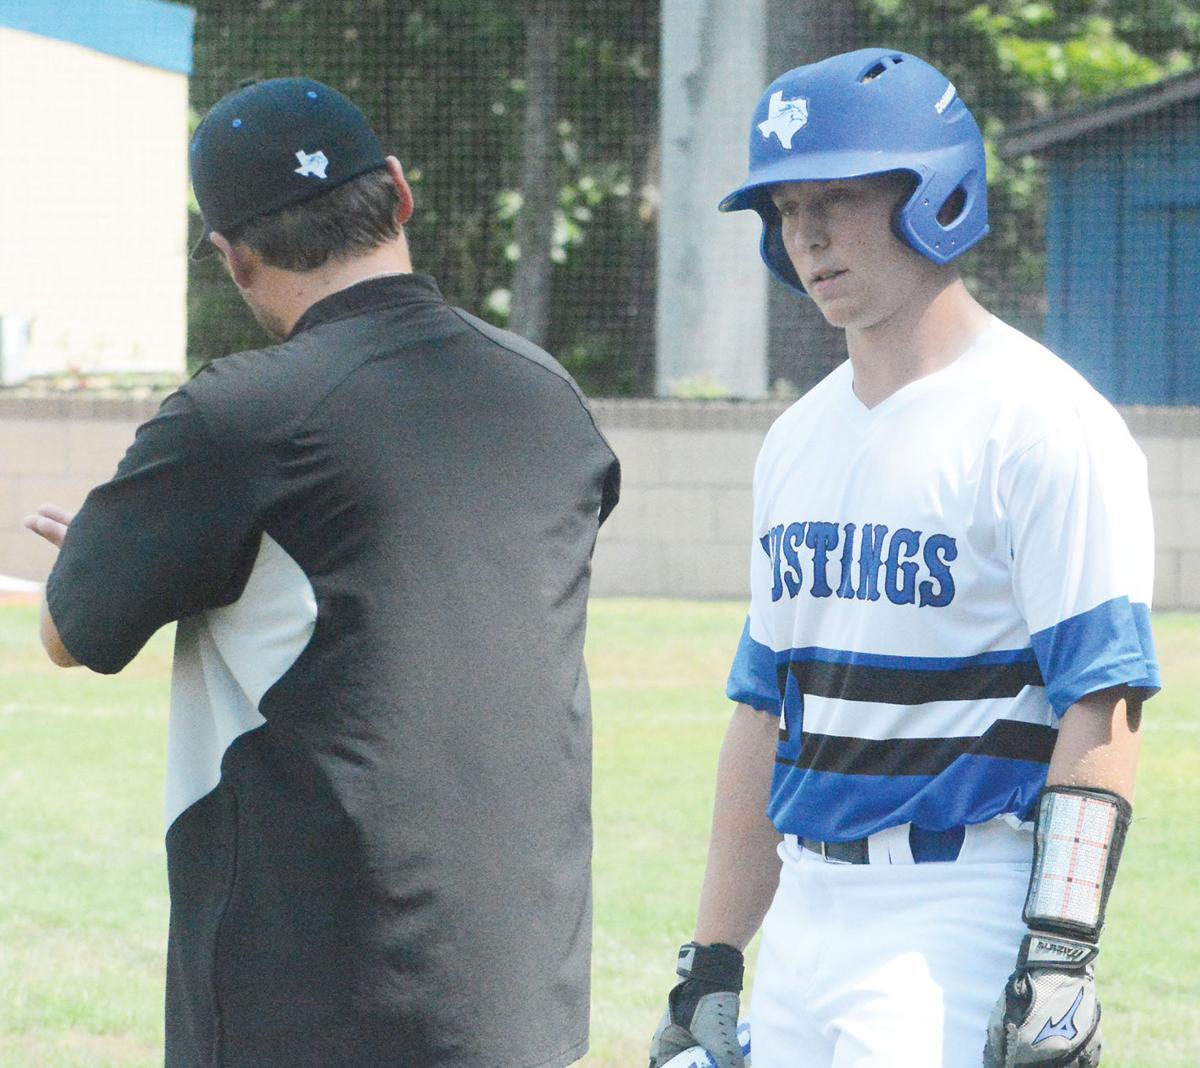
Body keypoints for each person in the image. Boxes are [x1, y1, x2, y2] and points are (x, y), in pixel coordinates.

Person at [26, 77, 619, 1068]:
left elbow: (70, 633)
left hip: (308, 1004)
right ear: (397, 189)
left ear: (234, 255)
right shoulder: (547, 397)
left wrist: (110, 545)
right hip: (523, 999)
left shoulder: (241, 416)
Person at [648, 48, 1158, 1068]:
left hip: (955, 909)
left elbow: (1102, 701)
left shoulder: (1044, 422)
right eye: (788, 207)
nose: (808, 234)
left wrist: (1060, 958)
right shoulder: (795, 440)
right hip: (805, 907)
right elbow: (764, 717)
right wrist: (711, 959)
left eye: (839, 196)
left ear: (938, 193)